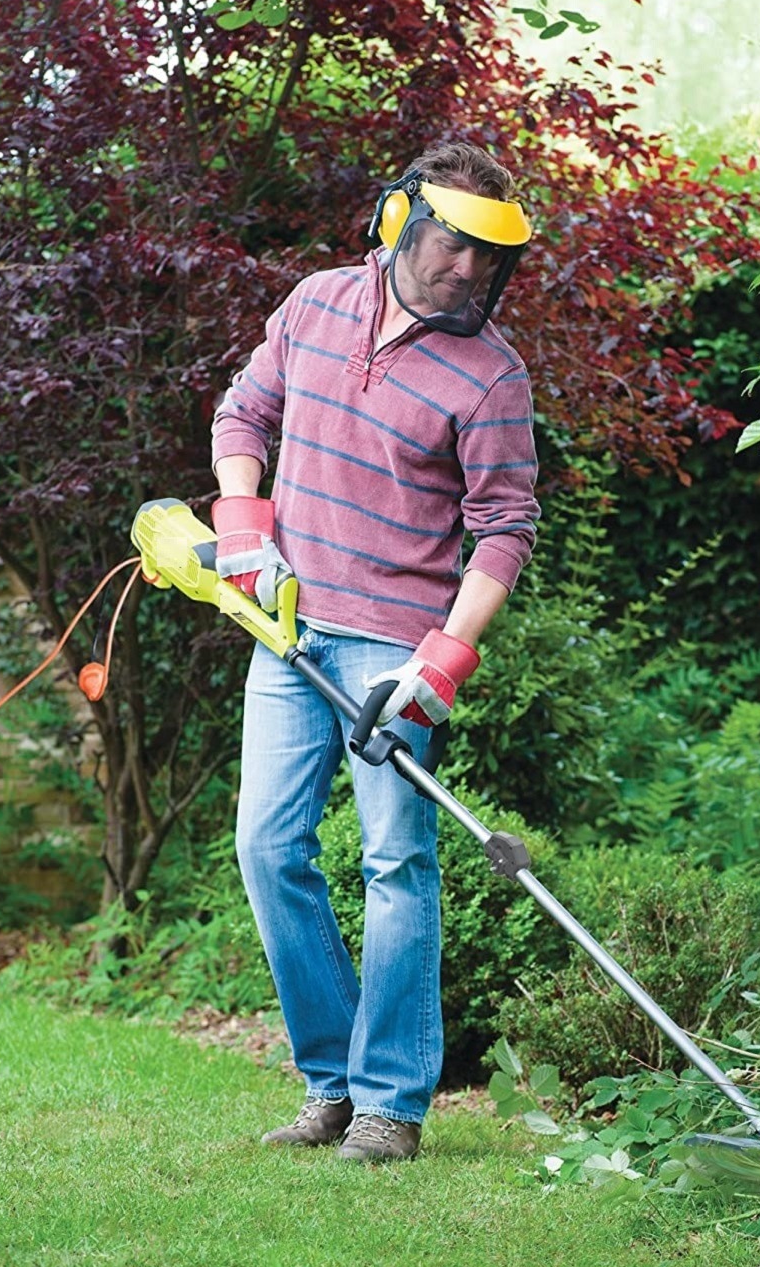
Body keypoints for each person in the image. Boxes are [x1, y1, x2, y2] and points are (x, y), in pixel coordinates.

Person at [210, 141, 540, 1162]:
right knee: (267, 850)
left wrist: (442, 658)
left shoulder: (489, 375)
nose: (469, 270)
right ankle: (332, 1085)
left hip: (393, 649)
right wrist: (239, 527)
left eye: (489, 257)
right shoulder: (311, 305)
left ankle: (392, 1104)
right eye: (453, 245)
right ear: (398, 224)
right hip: (290, 629)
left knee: (397, 861)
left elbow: (505, 525)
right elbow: (245, 411)